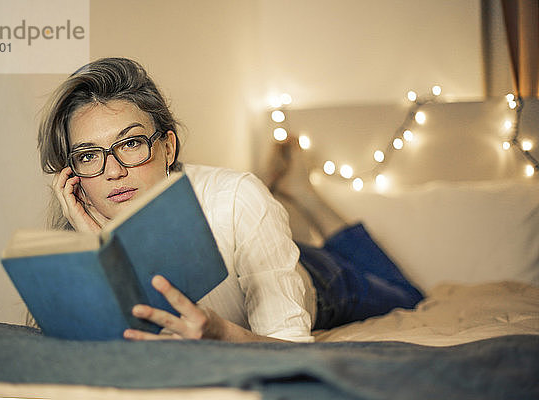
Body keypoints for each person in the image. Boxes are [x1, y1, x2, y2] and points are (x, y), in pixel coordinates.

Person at [37, 57, 423, 343]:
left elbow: (292, 349)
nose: (112, 170)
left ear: (168, 147)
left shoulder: (236, 197)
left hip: (317, 282)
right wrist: (98, 247)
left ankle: (305, 195)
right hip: (258, 246)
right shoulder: (80, 226)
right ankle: (291, 194)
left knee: (410, 297)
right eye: (88, 155)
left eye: (132, 143)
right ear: (72, 175)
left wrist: (221, 332)